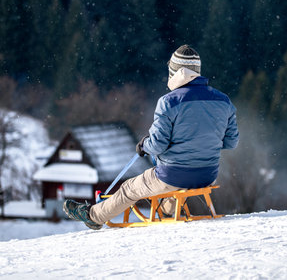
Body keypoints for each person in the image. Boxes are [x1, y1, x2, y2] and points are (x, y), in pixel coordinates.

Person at [63, 45, 239, 230]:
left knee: (129, 188)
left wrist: (144, 145)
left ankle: (94, 216)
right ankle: (166, 210)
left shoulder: (169, 102)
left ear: (176, 72)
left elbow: (157, 146)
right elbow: (231, 142)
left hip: (173, 175)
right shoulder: (223, 100)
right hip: (208, 174)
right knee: (178, 180)